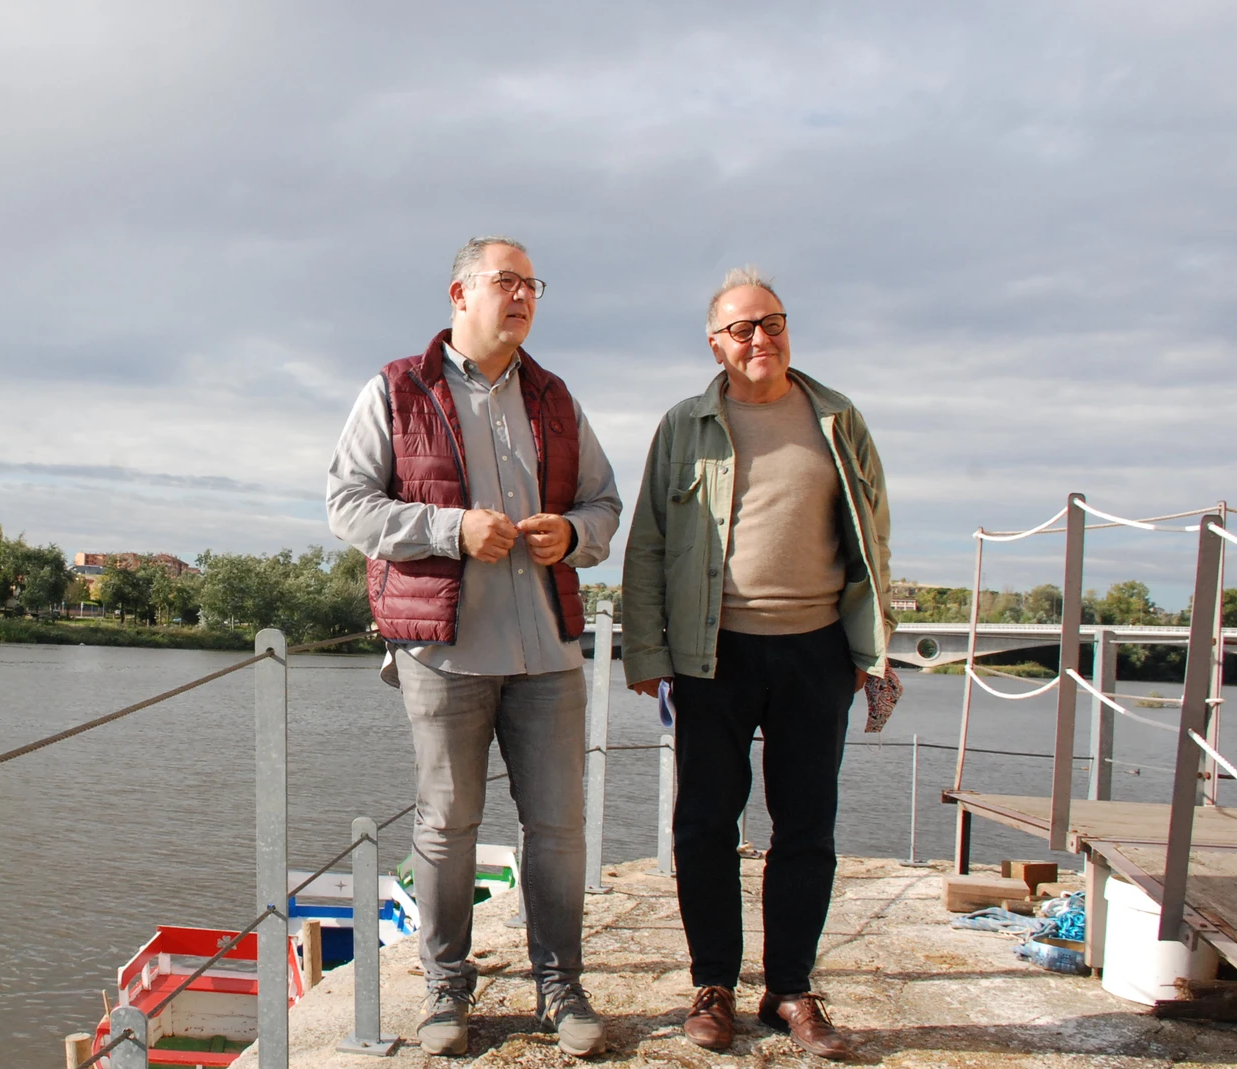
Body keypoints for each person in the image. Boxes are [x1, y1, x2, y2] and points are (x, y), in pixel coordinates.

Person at [326, 236, 623, 1057]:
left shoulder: (557, 398)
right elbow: (348, 506)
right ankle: (446, 990)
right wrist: (451, 530)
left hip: (549, 654)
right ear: (460, 294)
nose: (522, 296)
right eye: (506, 281)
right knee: (448, 825)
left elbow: (606, 505)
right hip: (443, 652)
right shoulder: (396, 389)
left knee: (559, 829)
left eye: (533, 284)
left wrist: (573, 532)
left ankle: (560, 987)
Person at [620, 267, 894, 1059]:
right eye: (741, 328)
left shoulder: (838, 417)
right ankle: (713, 987)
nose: (758, 339)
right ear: (714, 343)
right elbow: (649, 544)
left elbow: (874, 534)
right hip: (713, 652)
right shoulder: (684, 425)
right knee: (705, 821)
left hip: (816, 650)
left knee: (806, 825)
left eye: (771, 322)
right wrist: (648, 648)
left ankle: (790, 988)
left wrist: (865, 648)